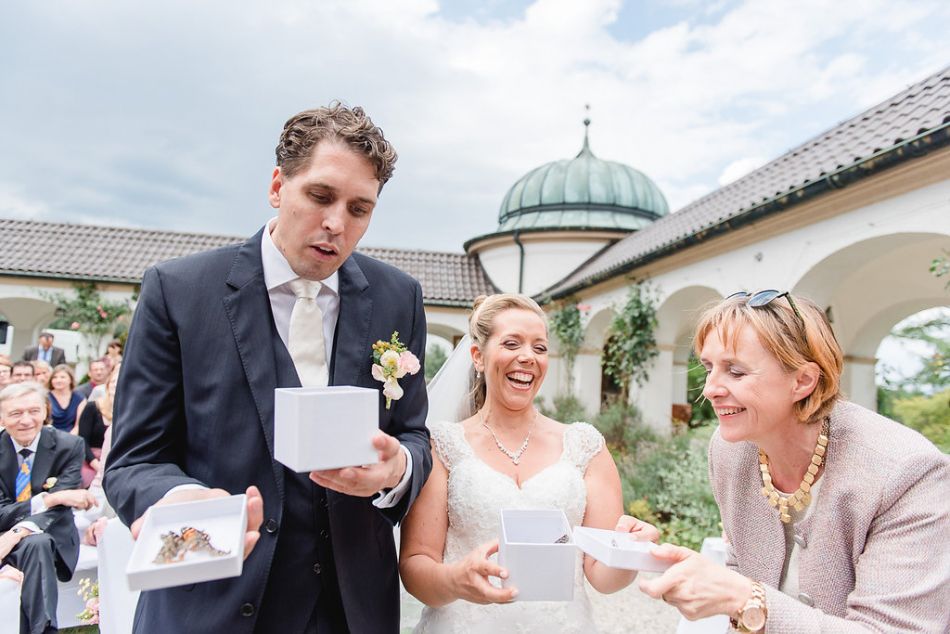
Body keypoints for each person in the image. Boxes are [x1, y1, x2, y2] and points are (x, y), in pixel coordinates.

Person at [104, 103, 432, 634]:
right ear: (278, 186)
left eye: (359, 209)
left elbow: (414, 433)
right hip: (210, 605)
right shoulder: (180, 292)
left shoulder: (400, 297)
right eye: (321, 196)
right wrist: (179, 499)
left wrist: (398, 471)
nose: (336, 224)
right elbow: (134, 460)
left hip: (350, 613)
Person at [637, 290, 950, 632]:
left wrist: (745, 598)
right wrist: (662, 558)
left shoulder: (906, 472)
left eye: (736, 372)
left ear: (803, 380)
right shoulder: (730, 450)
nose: (710, 388)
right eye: (709, 367)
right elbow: (741, 566)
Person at [400, 294, 658, 633]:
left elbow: (602, 576)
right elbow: (415, 563)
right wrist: (455, 580)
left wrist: (629, 551)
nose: (527, 358)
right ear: (478, 356)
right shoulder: (443, 446)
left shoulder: (585, 446)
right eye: (512, 344)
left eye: (540, 348)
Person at [0, 381, 98, 634]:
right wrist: (50, 498)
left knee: (38, 542)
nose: (26, 420)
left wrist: (17, 534)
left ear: (45, 411)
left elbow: (58, 511)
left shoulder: (69, 445)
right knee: (35, 543)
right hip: (3, 534)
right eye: (15, 413)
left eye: (34, 411)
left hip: (51, 534)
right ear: (1, 417)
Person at [76, 362, 118, 488]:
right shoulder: (92, 408)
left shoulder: (128, 412)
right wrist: (97, 465)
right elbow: (82, 441)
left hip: (115, 461)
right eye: (113, 383)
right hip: (91, 460)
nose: (115, 387)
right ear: (107, 386)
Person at [46, 365, 85, 434]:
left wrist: (68, 439)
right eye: (55, 377)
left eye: (62, 377)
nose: (58, 380)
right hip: (49, 434)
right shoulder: (45, 397)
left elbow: (78, 425)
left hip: (72, 436)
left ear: (70, 379)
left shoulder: (80, 398)